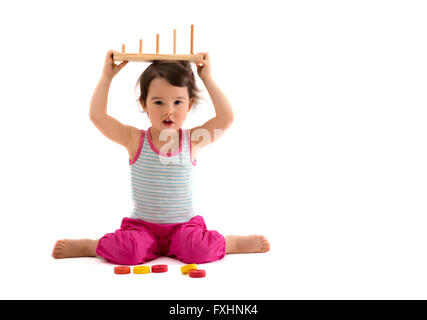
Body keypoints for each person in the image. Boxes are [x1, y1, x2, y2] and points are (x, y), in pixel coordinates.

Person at [52, 50, 270, 265]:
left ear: (190, 105)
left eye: (177, 102)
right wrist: (107, 77)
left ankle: (229, 244)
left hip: (184, 228)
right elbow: (97, 116)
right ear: (143, 104)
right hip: (142, 228)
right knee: (129, 252)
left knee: (199, 249)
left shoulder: (193, 139)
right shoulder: (134, 139)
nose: (169, 111)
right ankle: (90, 246)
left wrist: (207, 79)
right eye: (158, 103)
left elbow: (226, 117)